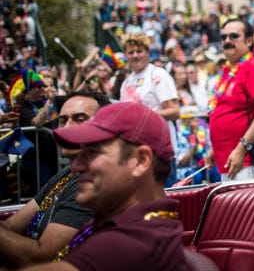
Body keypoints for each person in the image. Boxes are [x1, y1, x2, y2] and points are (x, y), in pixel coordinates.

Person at [22, 102, 188, 270]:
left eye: (92, 153)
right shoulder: (137, 224)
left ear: (140, 161)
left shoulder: (127, 244)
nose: (76, 166)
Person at [0, 91, 109, 268]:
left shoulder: (93, 184)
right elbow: (12, 225)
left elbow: (39, 258)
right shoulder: (67, 173)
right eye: (62, 120)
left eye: (79, 119)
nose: (66, 128)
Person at [207, 19, 254, 181]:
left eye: (233, 36)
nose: (227, 41)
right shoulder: (229, 70)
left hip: (247, 161)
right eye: (223, 37)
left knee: (247, 207)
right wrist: (215, 149)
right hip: (230, 160)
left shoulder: (253, 66)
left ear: (249, 41)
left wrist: (242, 148)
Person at [119, 33, 180, 186]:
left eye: (139, 51)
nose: (135, 55)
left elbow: (174, 111)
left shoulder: (158, 75)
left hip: (159, 151)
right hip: (135, 152)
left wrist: (142, 116)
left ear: (147, 52)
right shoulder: (126, 82)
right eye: (131, 52)